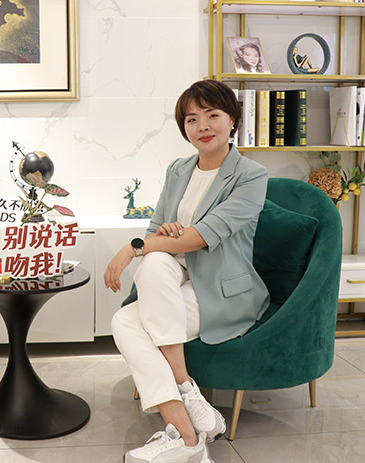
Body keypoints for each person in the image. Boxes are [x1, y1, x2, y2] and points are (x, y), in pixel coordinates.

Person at [104, 80, 270, 463]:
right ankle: (189, 427)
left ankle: (185, 421)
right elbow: (155, 232)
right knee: (155, 261)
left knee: (126, 321)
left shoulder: (251, 175)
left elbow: (200, 237)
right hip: (173, 282)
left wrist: (132, 248)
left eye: (213, 115)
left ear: (233, 119)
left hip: (222, 291)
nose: (202, 126)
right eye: (192, 119)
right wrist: (159, 237)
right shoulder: (178, 169)